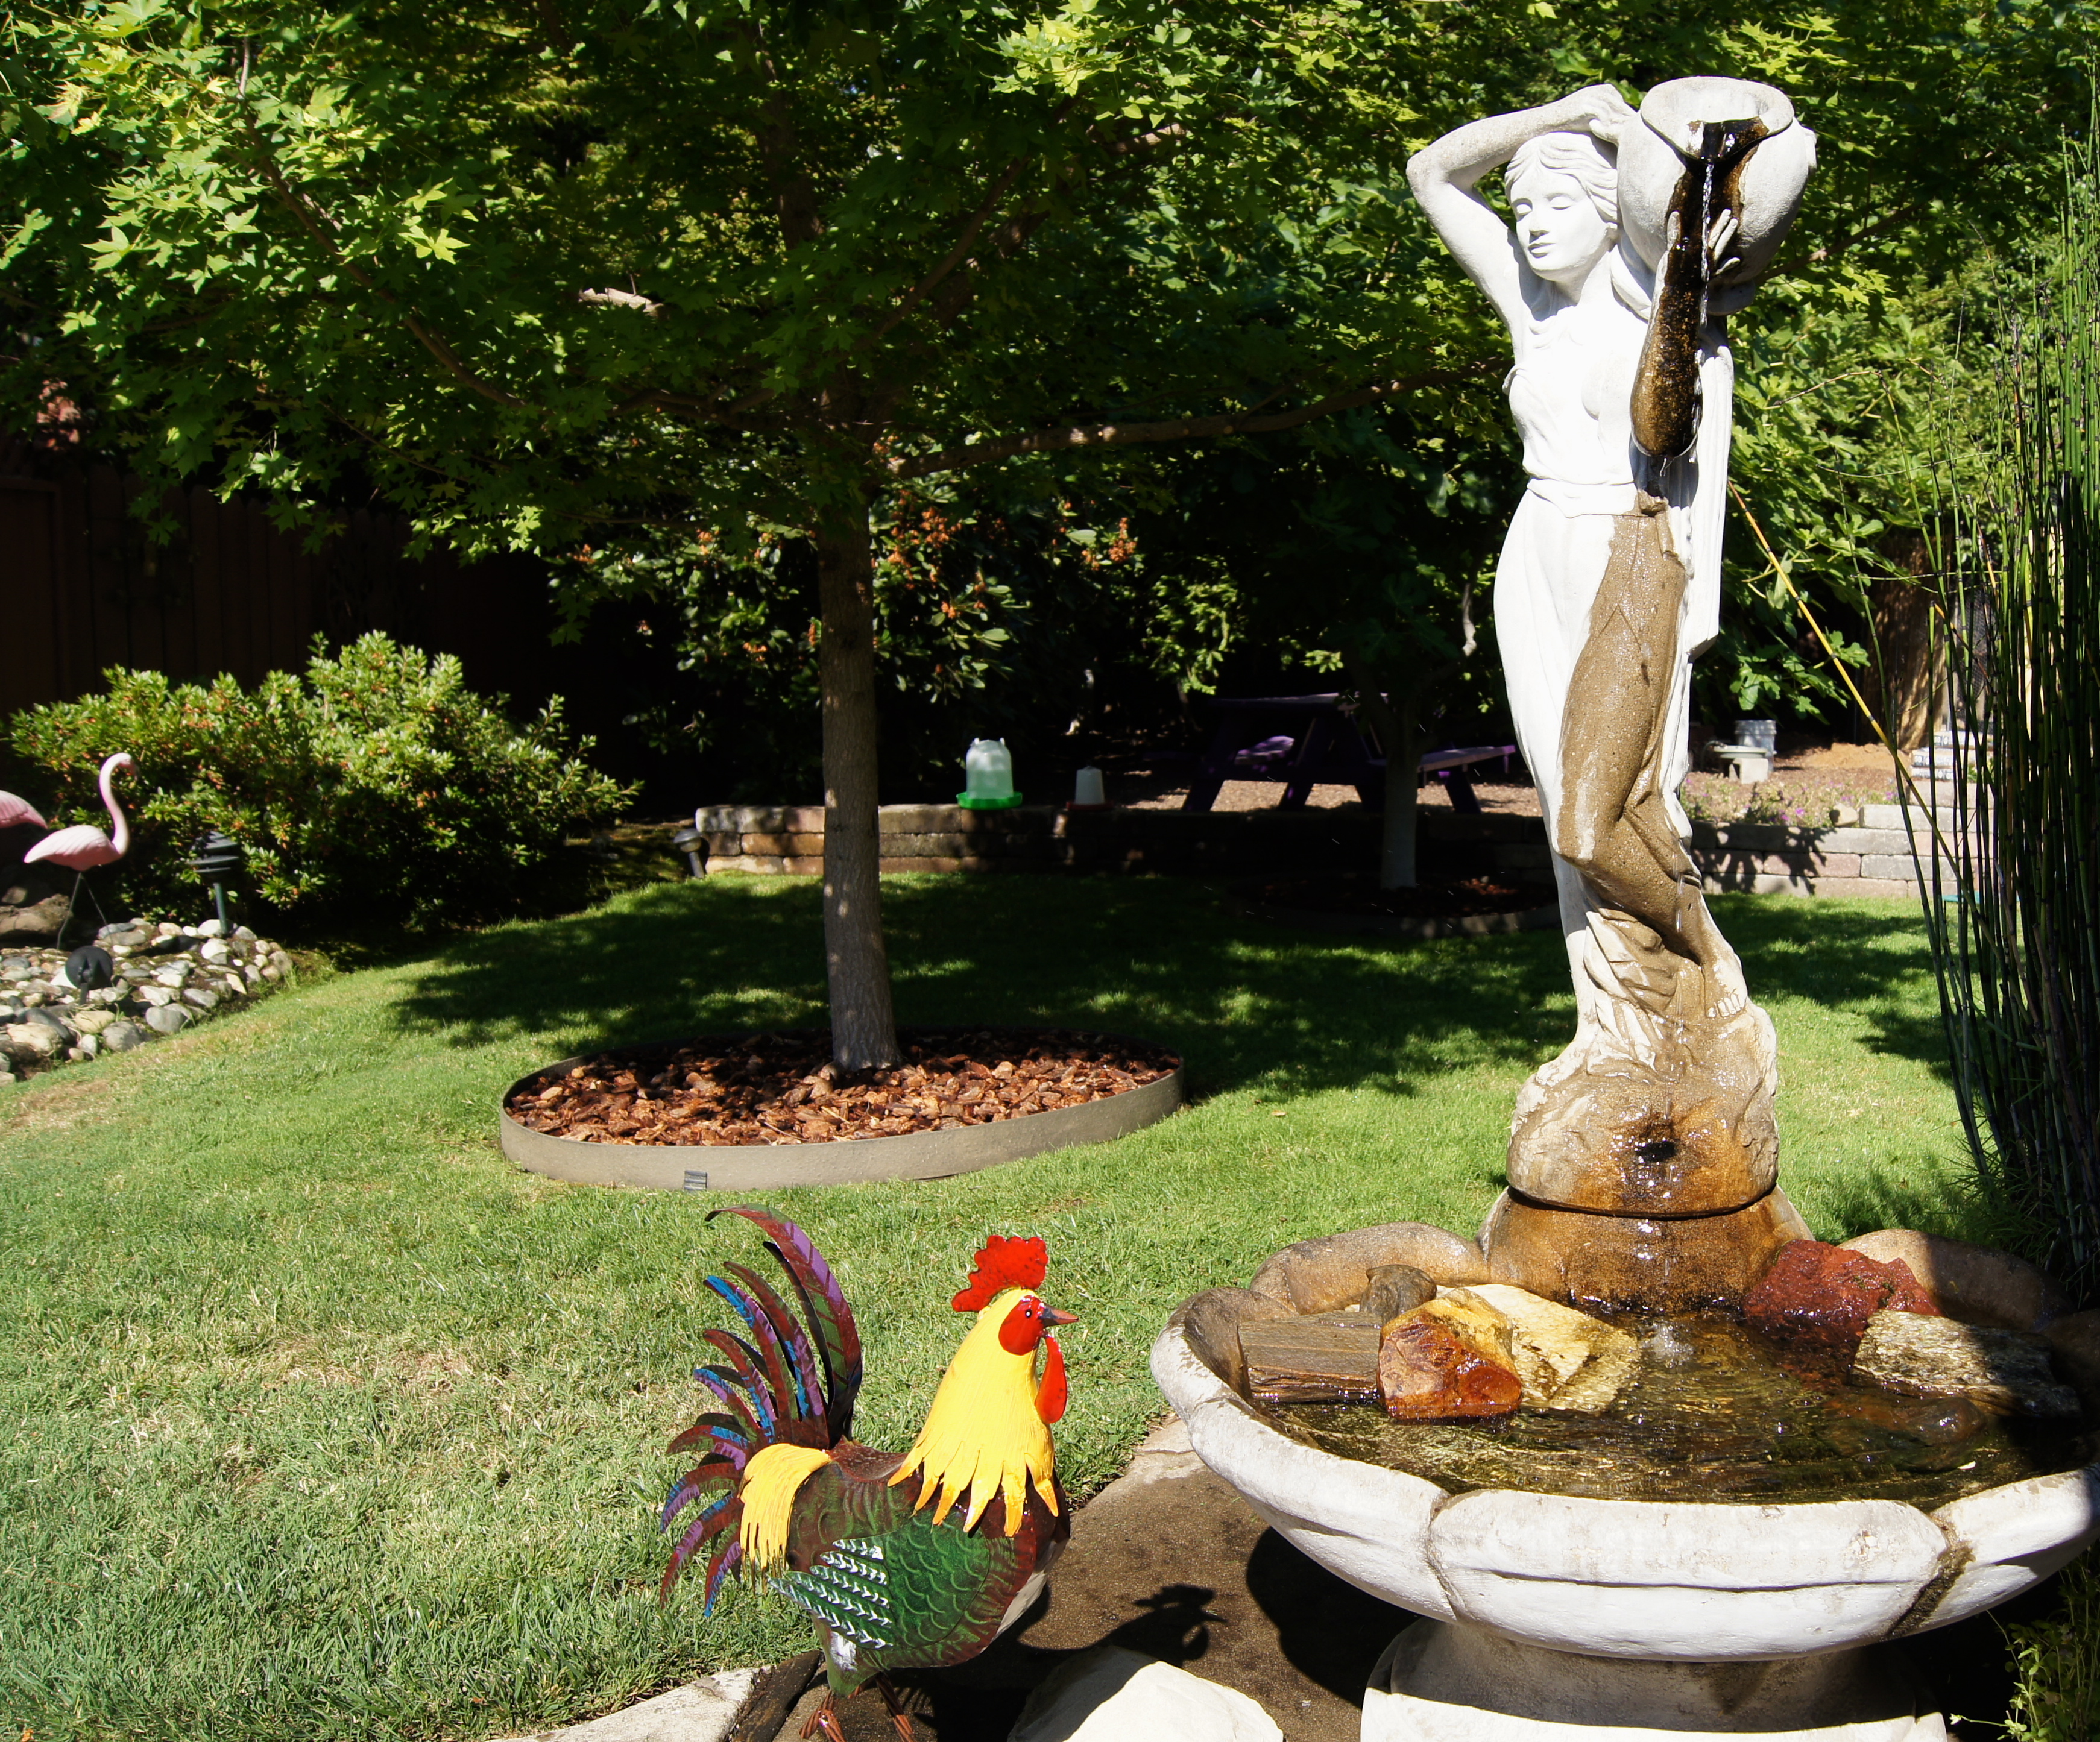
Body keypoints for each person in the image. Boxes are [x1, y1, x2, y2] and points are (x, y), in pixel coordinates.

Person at [1408, 86, 1745, 1018]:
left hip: (1627, 554)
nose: (1535, 224)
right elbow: (1430, 172)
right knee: (1565, 803)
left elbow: (1668, 428)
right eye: (1523, 208)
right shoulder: (1529, 304)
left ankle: (1700, 966)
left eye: (1559, 202)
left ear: (1609, 211)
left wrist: (1643, 156)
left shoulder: (1663, 304)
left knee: (1620, 806)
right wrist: (1559, 113)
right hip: (1536, 554)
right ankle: (1610, 1023)